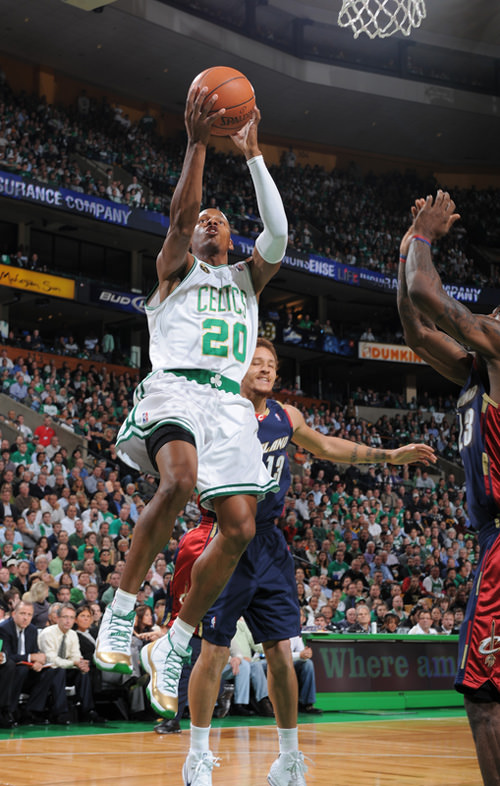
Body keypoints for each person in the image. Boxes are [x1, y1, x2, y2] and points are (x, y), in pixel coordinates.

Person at [158, 338, 435, 786]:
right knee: (213, 652)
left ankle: (287, 759)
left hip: (269, 546)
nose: (265, 370)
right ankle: (197, 755)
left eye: (271, 365)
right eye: (257, 363)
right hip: (224, 536)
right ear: (237, 370)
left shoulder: (287, 417)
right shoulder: (217, 410)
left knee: (281, 653)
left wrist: (389, 456)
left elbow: (326, 446)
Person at [94, 81, 288, 716]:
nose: (210, 222)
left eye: (220, 221)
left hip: (228, 405)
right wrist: (197, 144)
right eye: (207, 219)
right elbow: (180, 215)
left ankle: (173, 644)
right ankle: (120, 615)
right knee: (177, 484)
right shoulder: (177, 269)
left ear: (232, 240)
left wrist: (254, 155)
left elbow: (280, 234)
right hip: (176, 385)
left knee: (238, 527)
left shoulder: (247, 279)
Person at [397, 189, 500, 785]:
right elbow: (415, 330)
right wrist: (406, 248)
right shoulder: (471, 373)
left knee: (484, 700)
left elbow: (430, 296)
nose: (491, 323)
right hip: (491, 536)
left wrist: (426, 238)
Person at [0, 600, 68, 724]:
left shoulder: (31, 629)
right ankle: (10, 711)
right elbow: (7, 656)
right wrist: (31, 658)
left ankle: (32, 711)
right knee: (21, 669)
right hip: (10, 674)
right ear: (14, 614)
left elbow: (35, 652)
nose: (26, 618)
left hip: (27, 672)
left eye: (29, 614)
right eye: (22, 613)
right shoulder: (4, 628)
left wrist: (38, 663)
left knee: (52, 670)